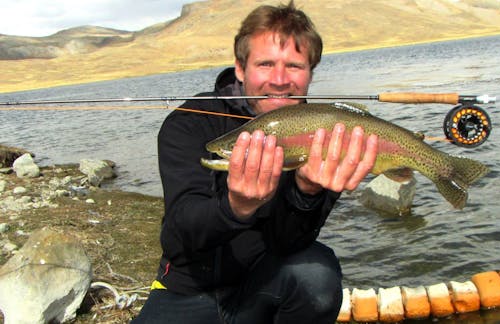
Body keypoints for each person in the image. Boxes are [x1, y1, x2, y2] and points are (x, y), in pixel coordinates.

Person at [133, 1, 378, 323]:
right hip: (186, 287)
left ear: (310, 74)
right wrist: (234, 206)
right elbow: (180, 237)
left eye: (294, 66)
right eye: (265, 64)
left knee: (318, 274)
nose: (279, 79)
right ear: (240, 68)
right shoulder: (190, 123)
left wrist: (306, 192)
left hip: (265, 284)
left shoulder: (327, 134)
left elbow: (290, 242)